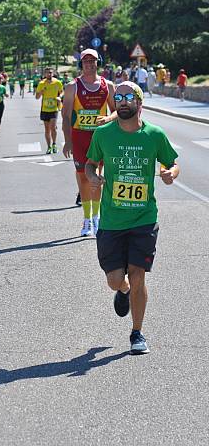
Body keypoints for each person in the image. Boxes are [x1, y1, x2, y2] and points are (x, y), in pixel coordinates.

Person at [85, 81, 179, 354]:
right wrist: (93, 178)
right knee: (115, 279)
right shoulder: (103, 134)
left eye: (129, 97)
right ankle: (122, 290)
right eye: (119, 97)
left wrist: (170, 174)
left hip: (144, 219)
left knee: (139, 275)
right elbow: (91, 164)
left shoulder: (154, 134)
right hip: (113, 220)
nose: (123, 101)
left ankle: (137, 333)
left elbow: (172, 163)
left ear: (140, 103)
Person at [62, 48, 116, 236]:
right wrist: (67, 140)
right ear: (81, 64)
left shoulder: (107, 85)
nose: (89, 64)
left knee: (96, 179)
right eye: (85, 61)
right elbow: (66, 115)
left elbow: (117, 111)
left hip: (100, 138)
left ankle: (97, 217)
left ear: (98, 63)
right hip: (79, 137)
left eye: (92, 61)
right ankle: (86, 220)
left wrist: (108, 120)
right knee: (83, 178)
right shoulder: (72, 86)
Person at [36, 67, 63, 154]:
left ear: (53, 73)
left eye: (50, 73)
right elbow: (37, 97)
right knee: (47, 129)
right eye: (47, 73)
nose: (49, 74)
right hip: (45, 109)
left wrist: (60, 97)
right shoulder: (41, 84)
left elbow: (62, 92)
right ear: (44, 74)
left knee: (53, 128)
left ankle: (54, 144)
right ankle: (49, 147)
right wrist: (41, 92)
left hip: (54, 108)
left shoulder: (57, 82)